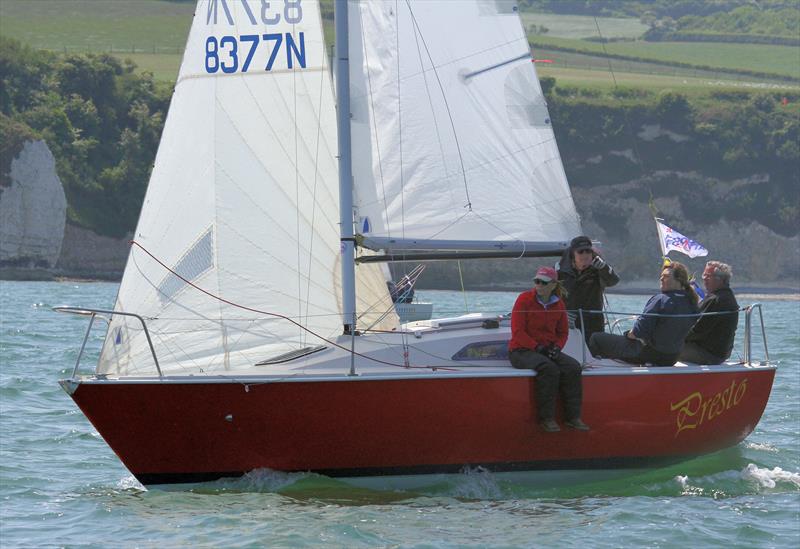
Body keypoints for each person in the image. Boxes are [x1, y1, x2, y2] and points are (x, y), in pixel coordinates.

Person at [508, 266, 589, 432]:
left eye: (543, 282)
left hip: (547, 349)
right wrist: (537, 347)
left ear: (553, 285)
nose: (538, 285)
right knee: (549, 369)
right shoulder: (524, 299)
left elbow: (563, 332)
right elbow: (517, 332)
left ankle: (573, 417)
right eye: (536, 281)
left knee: (573, 367)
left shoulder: (558, 304)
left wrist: (557, 348)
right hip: (520, 350)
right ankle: (547, 418)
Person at [588, 262, 699, 366]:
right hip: (672, 357)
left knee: (596, 338)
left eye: (666, 276)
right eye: (661, 276)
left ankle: (596, 373)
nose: (661, 279)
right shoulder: (692, 303)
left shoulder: (660, 300)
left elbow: (638, 332)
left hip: (648, 354)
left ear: (678, 280)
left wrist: (628, 335)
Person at [557, 235, 619, 345]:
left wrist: (604, 267)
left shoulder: (598, 269)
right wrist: (561, 314)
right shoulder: (559, 270)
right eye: (580, 252)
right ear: (573, 254)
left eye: (588, 251)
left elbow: (613, 281)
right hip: (567, 323)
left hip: (593, 323)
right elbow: (547, 294)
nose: (585, 255)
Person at [678, 261, 739, 364]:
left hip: (709, 354)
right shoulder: (726, 296)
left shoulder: (717, 300)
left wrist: (674, 337)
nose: (704, 278)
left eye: (708, 276)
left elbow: (697, 331)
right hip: (719, 353)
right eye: (704, 275)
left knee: (665, 348)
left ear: (720, 279)